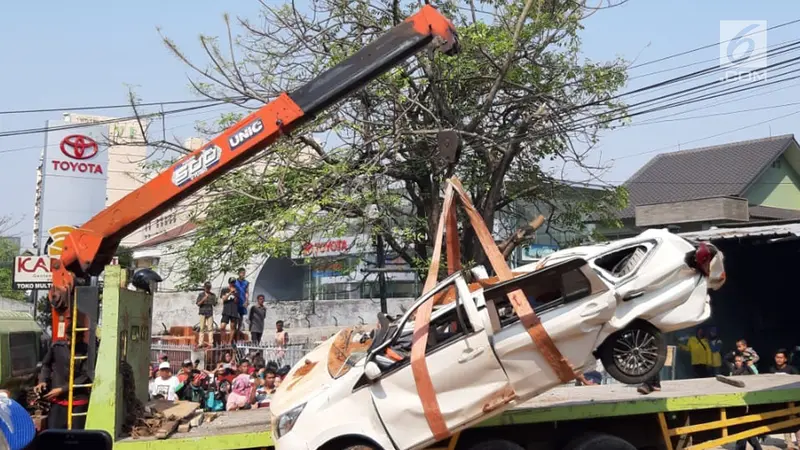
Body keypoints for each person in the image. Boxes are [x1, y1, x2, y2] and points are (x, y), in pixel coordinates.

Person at [35, 333, 92, 429]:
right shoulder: (56, 347)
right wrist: (42, 380)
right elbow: (46, 365)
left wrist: (62, 389)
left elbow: (86, 375)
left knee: (77, 434)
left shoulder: (87, 351)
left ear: (80, 338)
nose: (69, 343)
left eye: (72, 340)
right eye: (67, 339)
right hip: (58, 400)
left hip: (78, 400)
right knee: (54, 433)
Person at [729, 358, 763, 450]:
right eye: (735, 361)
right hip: (738, 403)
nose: (737, 362)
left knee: (744, 428)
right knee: (745, 428)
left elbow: (756, 377)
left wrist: (750, 365)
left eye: (739, 361)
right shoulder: (733, 372)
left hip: (749, 401)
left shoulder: (748, 369)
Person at [220, 278, 241, 345]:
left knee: (232, 326)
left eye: (234, 282)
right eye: (231, 282)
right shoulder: (224, 290)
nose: (232, 284)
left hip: (234, 310)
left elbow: (236, 301)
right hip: (226, 310)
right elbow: (224, 299)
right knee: (222, 327)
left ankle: (229, 342)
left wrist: (235, 294)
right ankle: (223, 341)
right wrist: (230, 293)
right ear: (229, 283)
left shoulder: (237, 290)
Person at [196, 281, 217, 348]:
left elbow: (215, 304)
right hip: (202, 312)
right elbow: (198, 304)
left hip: (209, 313)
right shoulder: (201, 295)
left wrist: (215, 300)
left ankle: (211, 343)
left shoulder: (212, 295)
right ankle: (200, 343)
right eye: (207, 288)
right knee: (202, 328)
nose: (208, 289)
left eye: (209, 288)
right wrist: (204, 299)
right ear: (204, 287)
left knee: (210, 328)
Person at [234, 268, 250, 340]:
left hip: (242, 301)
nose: (243, 274)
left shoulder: (246, 282)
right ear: (239, 273)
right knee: (234, 317)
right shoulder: (235, 282)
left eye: (244, 273)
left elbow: (246, 292)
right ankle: (234, 330)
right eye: (242, 273)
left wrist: (246, 300)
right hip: (236, 301)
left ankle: (238, 330)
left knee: (241, 317)